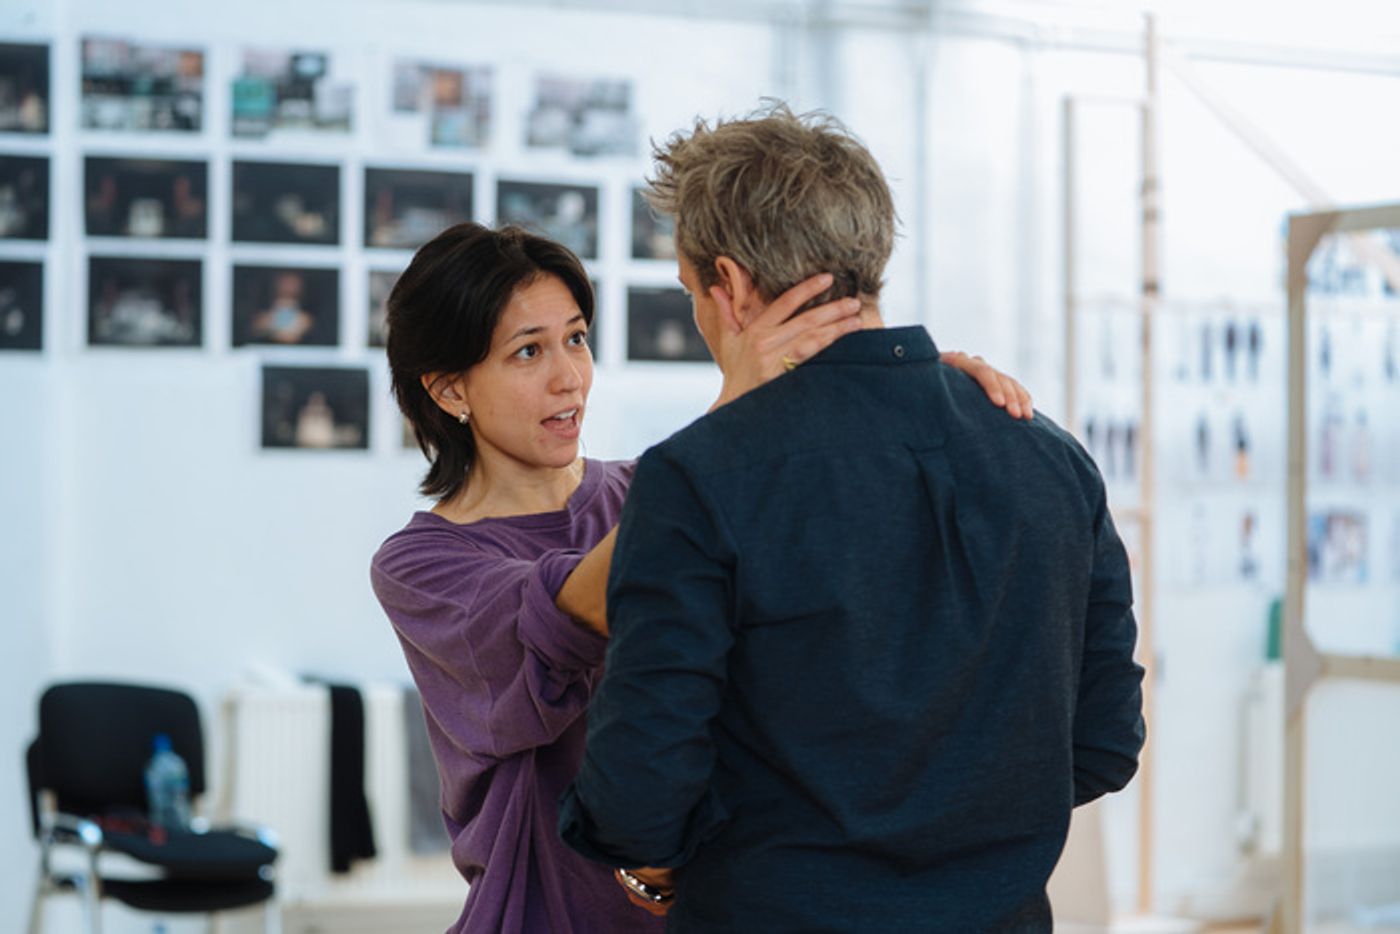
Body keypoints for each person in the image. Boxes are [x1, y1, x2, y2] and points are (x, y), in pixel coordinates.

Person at [558, 105, 1146, 931]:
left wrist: (656, 862)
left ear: (729, 286)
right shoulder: (1050, 456)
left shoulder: (699, 477)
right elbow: (1105, 740)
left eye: (693, 292)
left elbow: (639, 790)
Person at [370, 221, 1032, 934]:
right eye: (528, 351)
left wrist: (926, 401)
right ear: (448, 391)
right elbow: (572, 612)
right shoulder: (423, 567)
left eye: (577, 337)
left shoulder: (650, 490)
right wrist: (738, 410)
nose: (569, 376)